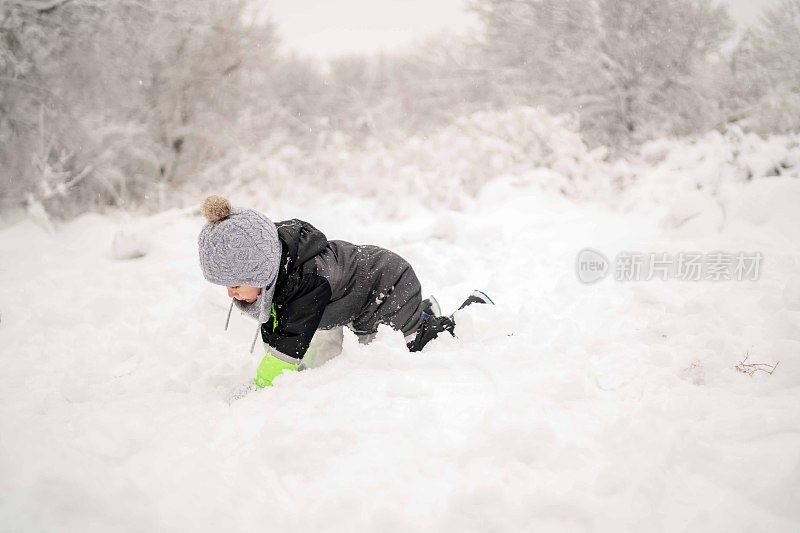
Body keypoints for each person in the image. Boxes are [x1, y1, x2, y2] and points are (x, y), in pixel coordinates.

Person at [197, 195, 492, 388]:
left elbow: (287, 345)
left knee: (402, 351)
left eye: (235, 284)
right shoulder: (281, 266)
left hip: (386, 286)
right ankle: (420, 312)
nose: (230, 294)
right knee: (362, 348)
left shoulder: (305, 284)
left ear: (259, 270)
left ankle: (467, 314)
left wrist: (260, 388)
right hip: (364, 292)